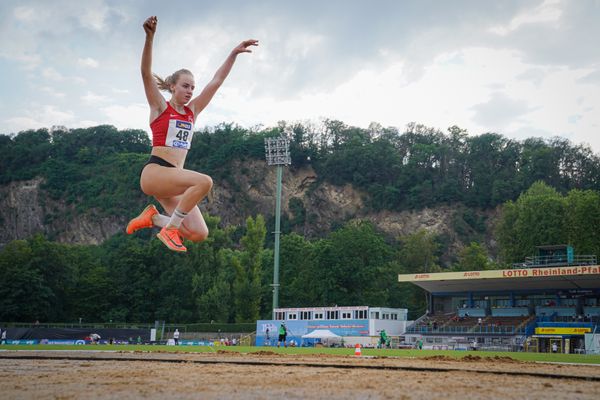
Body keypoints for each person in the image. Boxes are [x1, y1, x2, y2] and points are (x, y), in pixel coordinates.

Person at [126, 15, 258, 252]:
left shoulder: (192, 111)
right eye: (185, 86)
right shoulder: (159, 107)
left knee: (198, 233)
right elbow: (146, 73)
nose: (190, 91)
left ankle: (154, 219)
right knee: (204, 182)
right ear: (173, 86)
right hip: (156, 173)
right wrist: (149, 37)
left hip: (173, 180)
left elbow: (216, 82)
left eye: (192, 88)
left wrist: (233, 54)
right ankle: (170, 230)